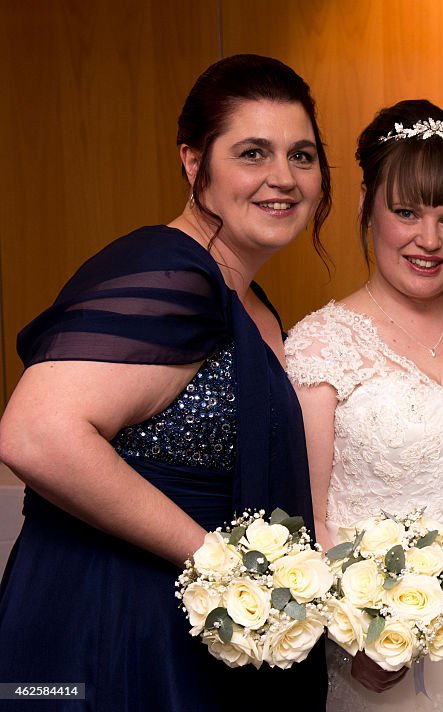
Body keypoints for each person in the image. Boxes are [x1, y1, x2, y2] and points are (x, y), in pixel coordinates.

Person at [0, 55, 332, 709]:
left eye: (302, 155)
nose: (283, 178)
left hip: (189, 629)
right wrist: (221, 563)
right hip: (108, 626)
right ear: (193, 162)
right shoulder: (170, 270)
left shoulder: (250, 299)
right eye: (252, 153)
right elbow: (36, 434)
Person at [285, 99, 443, 711]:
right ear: (368, 205)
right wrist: (352, 634)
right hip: (383, 645)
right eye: (406, 212)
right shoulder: (322, 342)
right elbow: (305, 513)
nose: (430, 240)